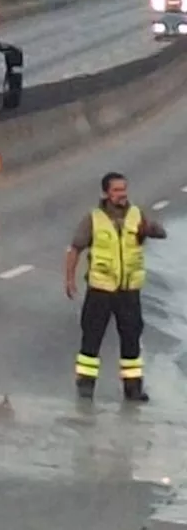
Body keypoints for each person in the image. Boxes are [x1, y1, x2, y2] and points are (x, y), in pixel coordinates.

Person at [64, 172, 167, 403]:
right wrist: (69, 280)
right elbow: (74, 249)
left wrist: (148, 230)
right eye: (117, 190)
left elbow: (160, 232)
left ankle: (133, 389)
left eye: (124, 189)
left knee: (131, 339)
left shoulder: (136, 215)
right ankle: (86, 386)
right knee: (92, 338)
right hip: (100, 290)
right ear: (106, 194)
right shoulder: (93, 219)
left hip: (128, 291)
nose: (122, 194)